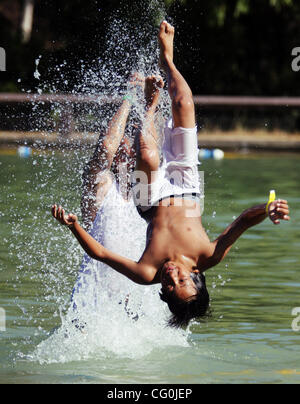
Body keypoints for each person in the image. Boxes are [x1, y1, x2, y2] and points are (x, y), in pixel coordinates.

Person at [52, 21, 291, 328]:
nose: (170, 278)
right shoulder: (209, 256)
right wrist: (267, 209)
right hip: (187, 185)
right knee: (183, 103)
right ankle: (168, 59)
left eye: (168, 288)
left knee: (149, 156)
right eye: (181, 281)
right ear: (196, 277)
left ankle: (149, 106)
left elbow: (99, 253)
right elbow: (243, 221)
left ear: (162, 294)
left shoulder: (147, 273)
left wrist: (73, 226)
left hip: (148, 200)